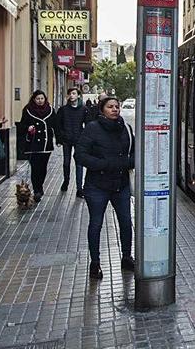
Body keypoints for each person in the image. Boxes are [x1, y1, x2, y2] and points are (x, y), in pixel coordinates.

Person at [75, 96, 135, 279]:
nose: (115, 109)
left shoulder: (125, 128)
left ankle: (127, 257)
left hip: (121, 184)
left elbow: (135, 152)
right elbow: (80, 155)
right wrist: (103, 164)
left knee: (126, 222)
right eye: (110, 107)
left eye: (117, 106)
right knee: (96, 224)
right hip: (97, 186)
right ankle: (95, 263)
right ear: (102, 110)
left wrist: (126, 163)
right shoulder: (92, 128)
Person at [19, 90, 57, 201]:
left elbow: (55, 125)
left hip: (46, 145)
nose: (40, 101)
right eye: (37, 99)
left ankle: (40, 186)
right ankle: (36, 190)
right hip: (33, 144)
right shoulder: (27, 110)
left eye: (42, 98)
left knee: (43, 168)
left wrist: (59, 139)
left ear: (45, 99)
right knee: (35, 168)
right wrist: (28, 128)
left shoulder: (50, 110)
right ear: (34, 99)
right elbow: (21, 125)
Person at [56, 88, 87, 197]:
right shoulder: (63, 110)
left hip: (79, 140)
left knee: (79, 164)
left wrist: (85, 139)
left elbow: (87, 125)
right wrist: (60, 138)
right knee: (66, 163)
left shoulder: (83, 109)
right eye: (70, 94)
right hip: (66, 140)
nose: (71, 95)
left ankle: (79, 188)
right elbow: (58, 125)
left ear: (78, 95)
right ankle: (66, 181)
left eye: (74, 93)